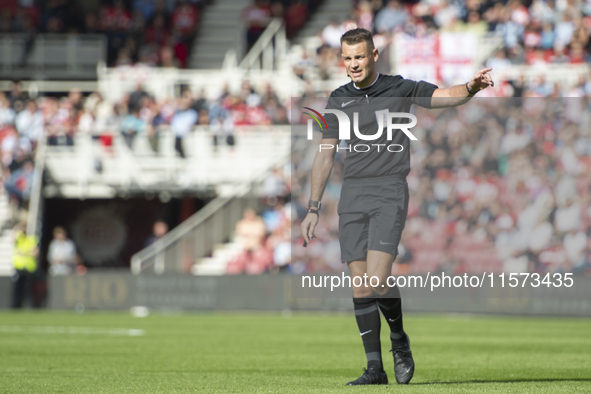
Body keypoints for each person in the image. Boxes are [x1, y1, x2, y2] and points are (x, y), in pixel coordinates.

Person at [300, 28, 493, 386]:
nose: (354, 64)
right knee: (360, 286)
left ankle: (399, 340)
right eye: (348, 58)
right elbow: (325, 154)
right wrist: (313, 207)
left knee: (376, 279)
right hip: (352, 195)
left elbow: (443, 96)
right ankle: (374, 369)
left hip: (389, 190)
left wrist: (469, 88)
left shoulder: (400, 87)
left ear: (374, 55)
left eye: (360, 56)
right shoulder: (337, 98)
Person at [11, 222, 39, 308]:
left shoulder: (31, 239)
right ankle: (16, 307)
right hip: (19, 268)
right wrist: (17, 227)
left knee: (29, 290)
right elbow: (12, 237)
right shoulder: (19, 238)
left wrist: (23, 253)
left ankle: (31, 307)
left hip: (29, 268)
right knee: (17, 289)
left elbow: (35, 253)